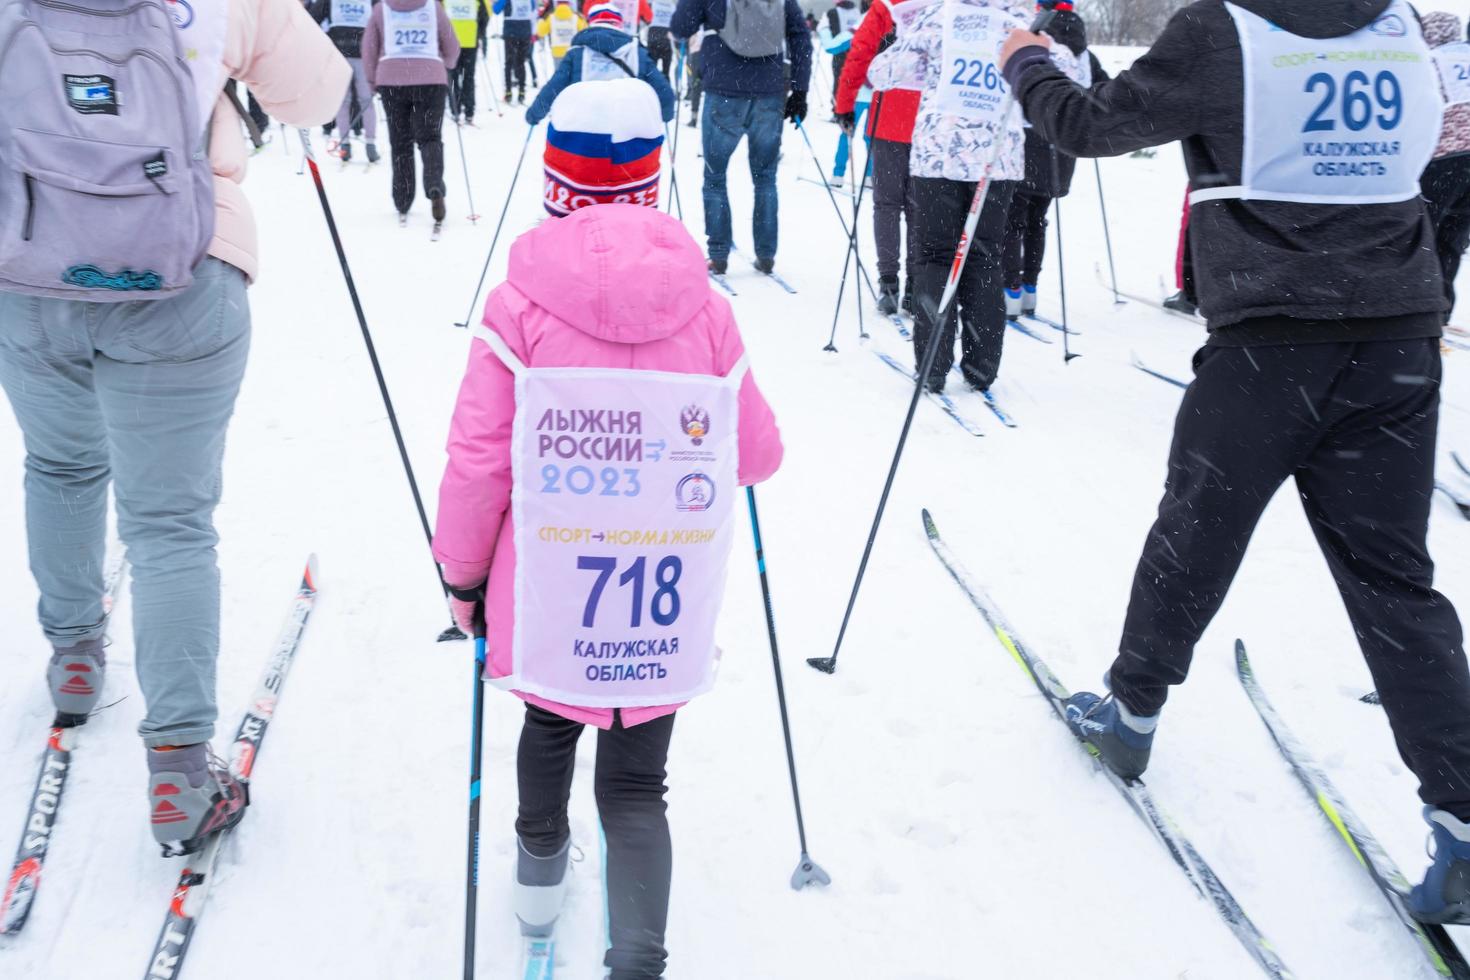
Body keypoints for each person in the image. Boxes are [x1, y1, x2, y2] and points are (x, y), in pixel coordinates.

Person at [1001, 0, 1470, 923]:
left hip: (1272, 338)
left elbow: (1090, 127)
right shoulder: (1398, 22)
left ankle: (1130, 715)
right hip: (1396, 338)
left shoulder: (1222, 28)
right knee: (1393, 580)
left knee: (1197, 535)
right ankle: (1462, 820)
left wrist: (1028, 61)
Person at [0, 0, 348, 852]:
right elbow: (319, 95)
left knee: (61, 465)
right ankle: (179, 775)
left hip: (28, 267)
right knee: (168, 526)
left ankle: (76, 652)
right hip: (182, 274)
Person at [431, 199, 783, 980]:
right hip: (660, 602)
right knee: (634, 785)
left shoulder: (518, 306)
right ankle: (636, 964)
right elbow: (755, 454)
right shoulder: (708, 312)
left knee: (550, 730)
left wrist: (462, 577)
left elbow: (478, 462)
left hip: (559, 592)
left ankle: (538, 894)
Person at [868, 0, 1058, 393]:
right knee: (985, 254)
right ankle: (982, 366)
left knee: (935, 256)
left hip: (939, 155)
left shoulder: (938, 16)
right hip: (996, 158)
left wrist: (904, 43)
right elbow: (1061, 76)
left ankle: (933, 366)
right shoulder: (1019, 20)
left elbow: (881, 73)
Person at [670, 0, 813, 274]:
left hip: (723, 90)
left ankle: (719, 254)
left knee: (715, 177)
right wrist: (800, 89)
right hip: (769, 93)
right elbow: (800, 36)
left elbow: (681, 27)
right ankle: (766, 253)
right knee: (765, 178)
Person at [1001, 0, 1105, 319]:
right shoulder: (1084, 50)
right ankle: (1030, 288)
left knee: (1013, 221)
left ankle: (1010, 291)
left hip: (1026, 138)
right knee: (1037, 220)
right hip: (1061, 143)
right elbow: (1102, 87)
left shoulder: (1033, 36)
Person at [835, 0, 919, 316]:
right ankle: (916, 284)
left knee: (886, 205)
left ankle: (888, 283)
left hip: (889, 118)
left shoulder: (885, 8)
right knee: (919, 206)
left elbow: (858, 56)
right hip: (930, 123)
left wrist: (844, 104)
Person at [361, 0, 461, 225]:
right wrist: (446, 64)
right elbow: (452, 45)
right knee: (430, 138)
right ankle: (435, 184)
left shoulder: (381, 9)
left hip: (392, 79)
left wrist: (371, 80)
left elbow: (369, 49)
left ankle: (403, 199)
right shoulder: (433, 7)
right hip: (431, 78)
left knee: (400, 142)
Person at [527, 2, 677, 129]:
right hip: (626, 134)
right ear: (619, 25)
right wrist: (666, 114)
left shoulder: (577, 54)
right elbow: (665, 93)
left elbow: (553, 88)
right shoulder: (636, 53)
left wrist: (534, 114)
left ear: (591, 23)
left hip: (585, 131)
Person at [1423, 11, 1470, 321]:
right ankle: (1441, 314)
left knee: (1423, 238)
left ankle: (1418, 314)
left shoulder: (1428, 62)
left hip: (1442, 162)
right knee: (1452, 241)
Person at [308, 0, 382, 162]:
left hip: (341, 52)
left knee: (344, 101)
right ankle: (369, 144)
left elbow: (313, 19)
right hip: (362, 53)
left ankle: (346, 144)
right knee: (366, 101)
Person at [446, 0, 491, 124]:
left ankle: (455, 109)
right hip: (469, 42)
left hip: (451, 44)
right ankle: (469, 111)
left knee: (453, 77)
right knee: (468, 78)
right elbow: (484, 16)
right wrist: (480, 33)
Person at [496, 0, 537, 103]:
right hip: (525, 32)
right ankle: (522, 92)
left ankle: (508, 92)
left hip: (511, 33)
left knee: (509, 63)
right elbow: (533, 8)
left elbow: (496, 10)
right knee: (521, 63)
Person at [822, 0, 859, 110]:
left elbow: (833, 34)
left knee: (838, 82)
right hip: (856, 52)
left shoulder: (833, 12)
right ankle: (849, 108)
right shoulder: (857, 11)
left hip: (840, 53)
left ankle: (837, 109)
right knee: (852, 82)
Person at [538, 0, 587, 67]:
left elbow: (541, 32)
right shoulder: (576, 17)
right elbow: (585, 30)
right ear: (569, 4)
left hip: (557, 52)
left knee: (559, 74)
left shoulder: (550, 17)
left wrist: (541, 20)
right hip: (572, 51)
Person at [647, 0, 677, 78]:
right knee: (666, 72)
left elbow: (646, 18)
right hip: (667, 41)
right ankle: (665, 86)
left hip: (654, 39)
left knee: (651, 71)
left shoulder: (652, 3)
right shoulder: (672, 5)